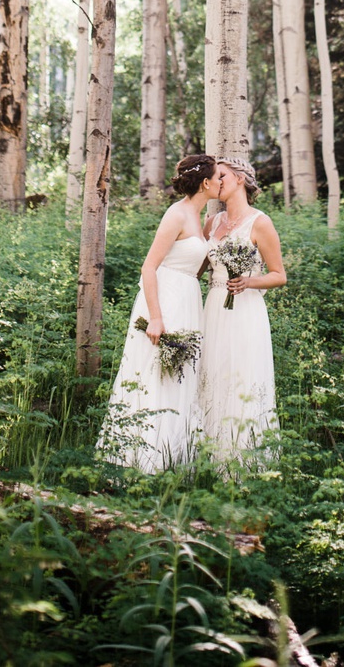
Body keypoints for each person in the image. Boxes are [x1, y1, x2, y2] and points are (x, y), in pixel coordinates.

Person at [98, 154, 219, 472]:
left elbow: (196, 263)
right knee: (158, 373)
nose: (221, 182)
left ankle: (174, 458)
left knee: (181, 374)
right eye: (218, 177)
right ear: (206, 183)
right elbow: (149, 267)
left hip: (188, 297)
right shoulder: (176, 215)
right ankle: (139, 460)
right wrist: (156, 317)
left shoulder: (200, 217)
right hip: (166, 298)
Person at [198, 155, 286, 457]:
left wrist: (249, 282)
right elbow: (197, 267)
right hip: (214, 307)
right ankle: (208, 453)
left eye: (221, 175)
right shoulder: (212, 222)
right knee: (213, 373)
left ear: (239, 178)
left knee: (241, 376)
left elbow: (279, 275)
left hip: (246, 310)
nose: (216, 182)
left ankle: (243, 455)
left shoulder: (260, 222)